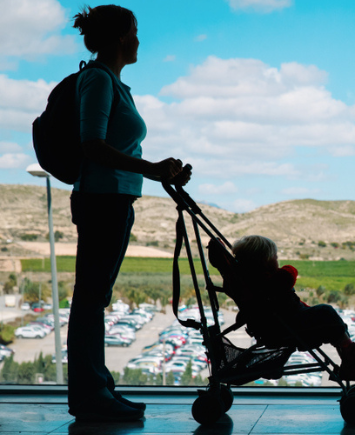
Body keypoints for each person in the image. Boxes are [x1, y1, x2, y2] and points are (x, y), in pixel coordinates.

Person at [67, 5, 190, 422]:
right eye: (135, 31)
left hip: (112, 199)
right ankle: (90, 396)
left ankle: (98, 390)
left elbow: (111, 148)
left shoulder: (114, 83)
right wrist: (151, 169)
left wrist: (160, 171)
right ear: (122, 37)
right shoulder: (99, 79)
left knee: (94, 298)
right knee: (89, 300)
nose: (139, 39)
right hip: (101, 200)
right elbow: (92, 145)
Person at [231, 235, 355, 383]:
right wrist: (285, 270)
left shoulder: (251, 284)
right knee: (326, 312)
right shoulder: (268, 281)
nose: (278, 260)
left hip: (284, 325)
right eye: (275, 257)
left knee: (337, 327)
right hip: (286, 328)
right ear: (264, 261)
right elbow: (289, 274)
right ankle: (352, 353)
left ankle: (351, 362)